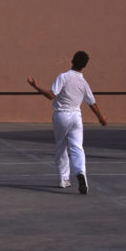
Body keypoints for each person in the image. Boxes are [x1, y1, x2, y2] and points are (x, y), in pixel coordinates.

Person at [27, 51, 107, 194]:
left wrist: (35, 86)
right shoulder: (83, 82)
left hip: (61, 116)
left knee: (61, 148)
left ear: (72, 61)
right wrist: (101, 118)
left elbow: (51, 95)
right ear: (85, 66)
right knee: (77, 148)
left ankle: (64, 179)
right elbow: (92, 103)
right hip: (76, 117)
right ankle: (81, 173)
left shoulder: (63, 77)